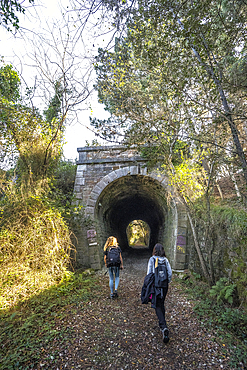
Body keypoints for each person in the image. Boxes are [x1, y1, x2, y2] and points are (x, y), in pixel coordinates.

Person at [146, 243, 172, 343]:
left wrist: (149, 284)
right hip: (164, 285)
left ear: (154, 250)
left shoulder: (152, 259)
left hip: (155, 286)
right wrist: (166, 282)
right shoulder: (165, 260)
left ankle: (163, 326)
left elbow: (149, 273)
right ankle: (163, 323)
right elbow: (169, 273)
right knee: (162, 303)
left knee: (156, 304)